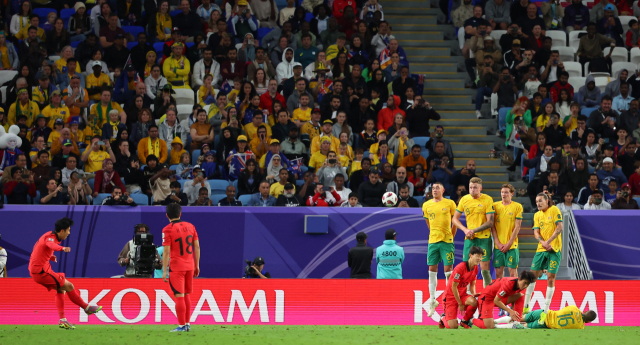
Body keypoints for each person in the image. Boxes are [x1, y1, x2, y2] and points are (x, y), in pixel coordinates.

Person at [28, 217, 102, 329]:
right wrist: (62, 249)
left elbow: (39, 247)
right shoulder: (50, 239)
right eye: (68, 230)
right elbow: (51, 245)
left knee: (61, 288)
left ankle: (63, 320)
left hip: (42, 269)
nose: (69, 233)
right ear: (62, 230)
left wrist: (49, 255)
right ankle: (86, 307)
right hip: (41, 272)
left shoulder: (49, 235)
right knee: (69, 286)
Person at [161, 203, 201, 332]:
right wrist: (197, 265)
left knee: (179, 296)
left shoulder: (167, 229)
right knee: (187, 295)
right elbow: (197, 247)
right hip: (190, 265)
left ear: (167, 215)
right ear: (180, 214)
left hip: (177, 267)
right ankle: (187, 323)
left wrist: (164, 271)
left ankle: (182, 325)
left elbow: (166, 251)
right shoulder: (191, 226)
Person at [421, 181, 458, 315]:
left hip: (446, 241)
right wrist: (434, 234)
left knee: (448, 271)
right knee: (432, 270)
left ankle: (448, 300)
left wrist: (451, 235)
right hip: (433, 242)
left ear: (443, 190)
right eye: (433, 188)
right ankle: (432, 300)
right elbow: (428, 223)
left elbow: (455, 221)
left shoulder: (450, 203)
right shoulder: (426, 205)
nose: (434, 190)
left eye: (437, 188)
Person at [523, 192, 563, 314]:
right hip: (541, 249)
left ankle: (546, 309)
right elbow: (536, 232)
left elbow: (560, 227)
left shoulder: (554, 210)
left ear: (547, 201)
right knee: (532, 277)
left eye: (540, 201)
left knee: (550, 278)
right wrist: (544, 243)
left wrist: (549, 242)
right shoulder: (537, 215)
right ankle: (525, 307)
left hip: (554, 249)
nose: (538, 204)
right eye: (536, 202)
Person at [452, 177, 495, 288]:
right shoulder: (464, 199)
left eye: (475, 188)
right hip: (469, 238)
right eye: (470, 187)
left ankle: (487, 295)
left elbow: (490, 222)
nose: (472, 190)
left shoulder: (488, 199)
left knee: (485, 269)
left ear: (480, 188)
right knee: (467, 267)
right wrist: (465, 230)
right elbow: (454, 219)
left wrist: (473, 230)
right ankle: (467, 294)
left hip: (484, 238)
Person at [439, 245, 483, 329]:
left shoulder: (476, 268)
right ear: (470, 255)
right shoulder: (460, 268)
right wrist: (460, 303)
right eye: (477, 256)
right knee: (453, 326)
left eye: (481, 257)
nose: (479, 259)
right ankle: (443, 318)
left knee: (474, 302)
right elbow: (454, 287)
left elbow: (472, 284)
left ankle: (465, 321)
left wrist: (473, 294)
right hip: (450, 298)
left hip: (462, 295)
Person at [491, 184, 523, 280]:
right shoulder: (495, 206)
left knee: (513, 274)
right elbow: (492, 226)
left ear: (512, 194)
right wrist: (497, 242)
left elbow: (517, 227)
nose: (503, 194)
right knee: (498, 274)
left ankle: (513, 293)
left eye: (506, 192)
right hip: (498, 246)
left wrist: (509, 244)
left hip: (512, 246)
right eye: (502, 192)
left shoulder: (517, 206)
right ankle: (500, 294)